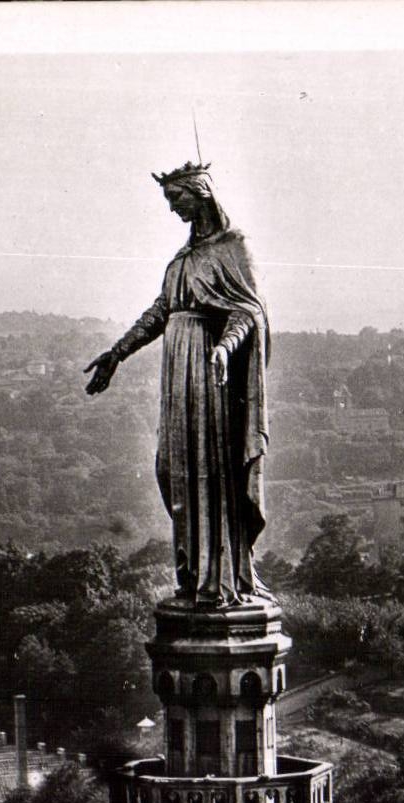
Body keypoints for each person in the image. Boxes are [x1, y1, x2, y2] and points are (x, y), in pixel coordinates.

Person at [84, 163, 270, 606]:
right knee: (176, 469)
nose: (173, 210)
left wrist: (225, 348)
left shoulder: (234, 246)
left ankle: (222, 576)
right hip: (178, 376)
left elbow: (249, 311)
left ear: (201, 193)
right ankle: (193, 574)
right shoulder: (182, 260)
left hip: (210, 372)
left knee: (213, 467)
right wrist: (117, 353)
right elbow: (159, 314)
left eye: (177, 200)